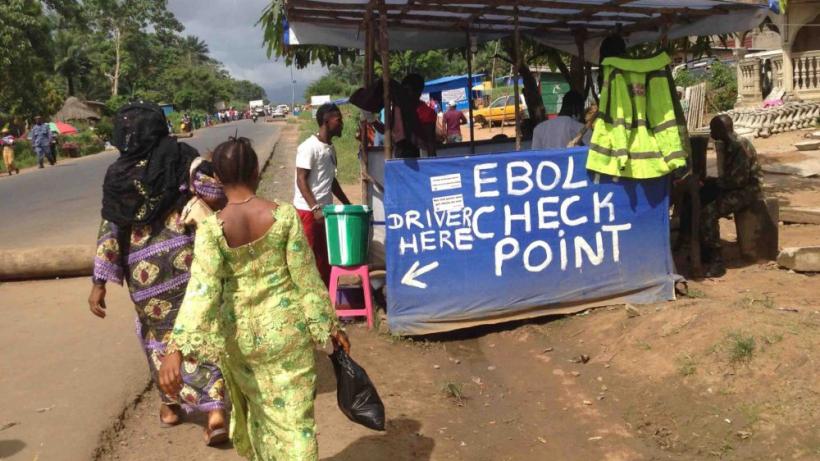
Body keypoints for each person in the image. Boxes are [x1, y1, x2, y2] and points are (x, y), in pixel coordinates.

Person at [158, 137, 350, 460]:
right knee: (296, 421)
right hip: (288, 336)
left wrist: (175, 350)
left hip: (243, 342)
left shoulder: (212, 231)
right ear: (257, 170)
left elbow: (201, 292)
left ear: (217, 178)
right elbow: (307, 280)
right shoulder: (285, 216)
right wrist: (330, 326)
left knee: (260, 417)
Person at [86, 102, 229, 446]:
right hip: (188, 263)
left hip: (143, 276)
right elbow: (215, 192)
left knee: (157, 338)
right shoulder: (181, 157)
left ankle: (169, 404)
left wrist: (98, 283)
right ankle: (215, 413)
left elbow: (110, 229)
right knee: (200, 329)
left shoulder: (117, 175)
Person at [699, 114, 764, 277]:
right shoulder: (728, 145)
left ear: (721, 129)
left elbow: (738, 181)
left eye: (713, 129)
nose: (711, 133)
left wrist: (714, 184)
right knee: (700, 199)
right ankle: (705, 248)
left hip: (747, 192)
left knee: (709, 212)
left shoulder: (738, 147)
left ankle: (717, 262)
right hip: (735, 188)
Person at [294, 103, 351, 286]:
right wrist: (315, 207)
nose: (341, 123)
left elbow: (330, 180)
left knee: (325, 256)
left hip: (325, 212)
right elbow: (301, 180)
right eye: (338, 120)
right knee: (310, 257)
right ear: (326, 122)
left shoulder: (330, 148)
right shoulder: (309, 147)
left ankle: (327, 295)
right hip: (308, 212)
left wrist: (347, 203)